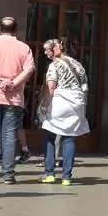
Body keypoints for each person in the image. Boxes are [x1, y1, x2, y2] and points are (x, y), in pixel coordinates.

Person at [0, 16, 35, 184]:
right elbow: (29, 69)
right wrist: (14, 83)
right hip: (14, 97)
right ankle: (8, 174)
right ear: (16, 29)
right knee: (9, 136)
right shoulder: (24, 48)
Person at [38, 38, 90, 185]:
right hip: (77, 102)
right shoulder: (78, 65)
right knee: (69, 138)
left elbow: (51, 88)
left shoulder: (54, 65)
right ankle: (66, 177)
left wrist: (44, 106)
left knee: (49, 135)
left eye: (48, 49)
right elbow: (85, 88)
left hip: (60, 101)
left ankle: (49, 173)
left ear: (58, 49)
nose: (46, 52)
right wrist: (83, 107)